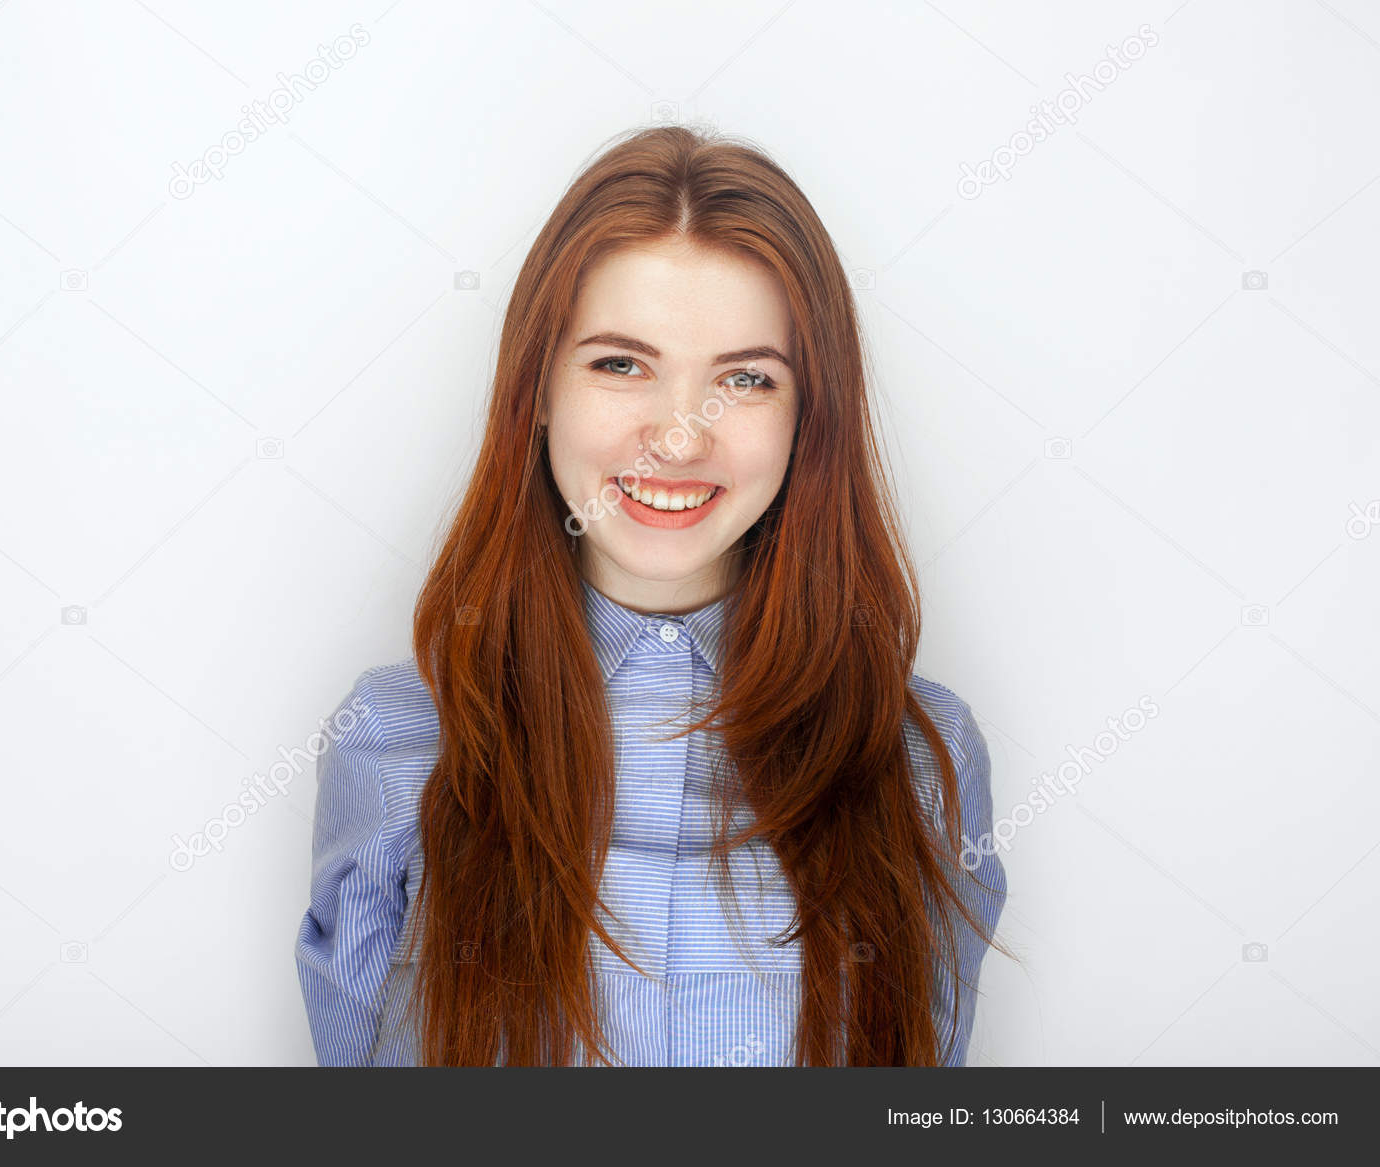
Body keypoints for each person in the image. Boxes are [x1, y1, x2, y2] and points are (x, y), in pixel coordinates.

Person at [295, 124, 1010, 1066]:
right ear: (538, 386)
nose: (679, 438)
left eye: (747, 378)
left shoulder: (922, 759)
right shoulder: (392, 744)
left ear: (809, 418)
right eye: (621, 363)